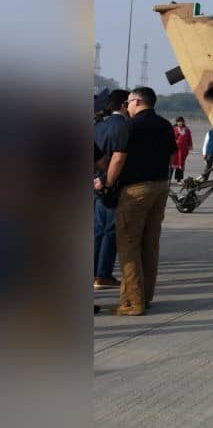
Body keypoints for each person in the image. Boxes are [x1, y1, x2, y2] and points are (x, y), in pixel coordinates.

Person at [95, 86, 176, 316]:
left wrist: (107, 183)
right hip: (160, 187)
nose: (127, 106)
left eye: (129, 101)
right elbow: (171, 154)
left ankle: (132, 302)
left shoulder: (130, 126)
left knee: (128, 245)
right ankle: (146, 297)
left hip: (135, 190)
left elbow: (119, 158)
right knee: (150, 245)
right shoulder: (165, 125)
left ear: (138, 102)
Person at [93, 89, 129, 289]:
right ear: (124, 105)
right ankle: (103, 274)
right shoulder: (125, 126)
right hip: (112, 183)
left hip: (95, 182)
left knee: (97, 230)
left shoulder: (99, 126)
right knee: (110, 230)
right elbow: (119, 158)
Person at [171, 117, 193, 182]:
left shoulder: (187, 130)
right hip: (175, 149)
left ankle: (179, 179)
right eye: (179, 121)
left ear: (183, 122)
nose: (180, 123)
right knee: (172, 163)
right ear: (177, 122)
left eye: (181, 121)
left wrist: (190, 145)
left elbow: (189, 139)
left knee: (181, 163)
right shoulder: (173, 129)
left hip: (183, 150)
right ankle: (168, 179)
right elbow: (170, 138)